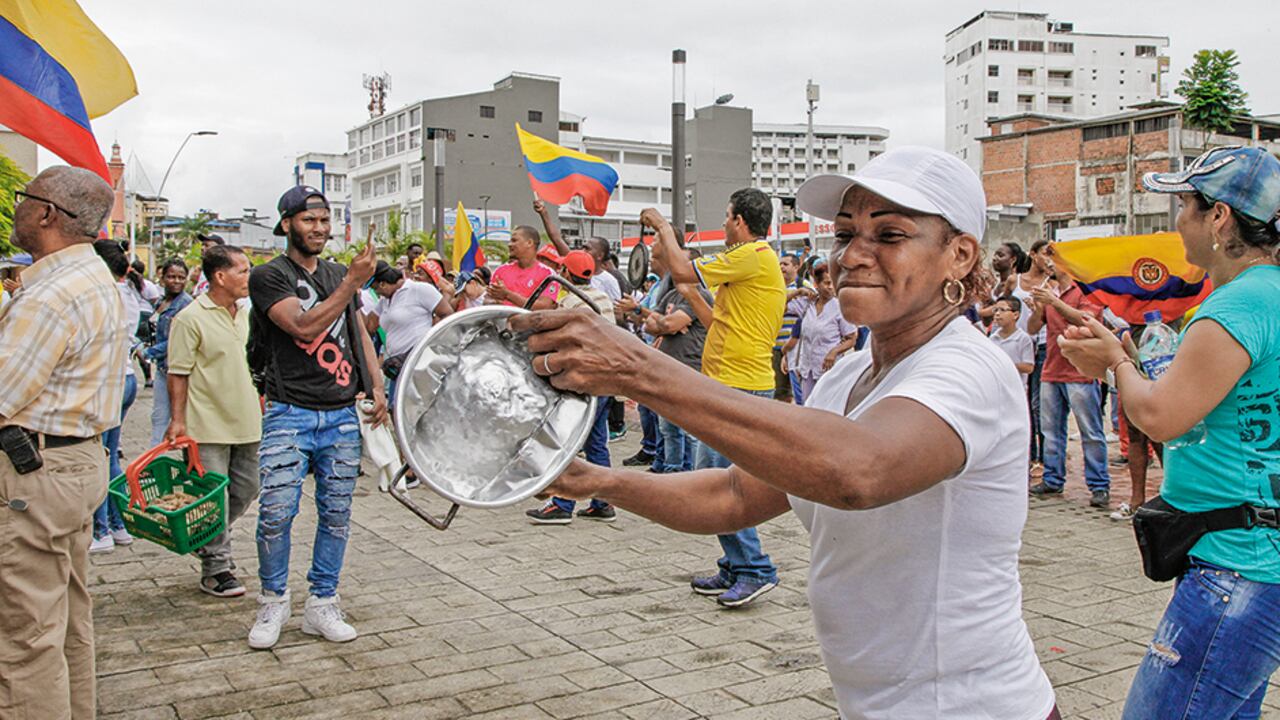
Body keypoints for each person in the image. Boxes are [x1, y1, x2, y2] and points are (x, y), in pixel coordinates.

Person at [512, 146, 1056, 718]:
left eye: (890, 236)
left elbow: (858, 472)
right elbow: (736, 494)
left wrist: (640, 371)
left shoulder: (970, 367)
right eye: (846, 234)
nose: (854, 256)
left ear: (960, 256)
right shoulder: (849, 373)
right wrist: (592, 479)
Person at [1057, 146, 1280, 719]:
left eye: (1183, 204)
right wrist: (1131, 359)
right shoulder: (1269, 298)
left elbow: (1160, 418)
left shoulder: (1234, 308)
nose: (1176, 221)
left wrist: (1115, 364)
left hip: (1237, 565)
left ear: (1219, 216)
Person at [0, 167, 124, 719]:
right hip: (73, 465)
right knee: (66, 615)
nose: (17, 209)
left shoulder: (50, 295)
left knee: (24, 636)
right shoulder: (91, 277)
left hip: (35, 473)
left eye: (25, 200)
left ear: (48, 214)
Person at [245, 185, 387, 650]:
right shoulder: (268, 276)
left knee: (338, 514)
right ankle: (273, 600)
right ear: (286, 224)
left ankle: (323, 601)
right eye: (309, 220)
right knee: (275, 513)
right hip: (289, 411)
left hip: (341, 413)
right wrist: (352, 281)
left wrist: (376, 383)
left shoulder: (336, 274)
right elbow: (303, 325)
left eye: (325, 221)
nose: (319, 229)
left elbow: (356, 332)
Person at [641, 187, 785, 609]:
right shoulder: (749, 264)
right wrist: (687, 294)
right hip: (728, 380)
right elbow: (714, 317)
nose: (722, 224)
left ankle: (756, 567)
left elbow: (683, 269)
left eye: (725, 216)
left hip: (740, 382)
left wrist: (665, 227)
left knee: (719, 484)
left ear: (740, 221)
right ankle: (737, 563)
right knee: (718, 479)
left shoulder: (754, 254)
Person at [164, 245, 261, 597]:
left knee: (248, 488)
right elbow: (177, 373)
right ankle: (216, 568)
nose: (248, 277)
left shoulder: (249, 315)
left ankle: (204, 536)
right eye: (243, 270)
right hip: (206, 423)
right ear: (220, 276)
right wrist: (178, 420)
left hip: (249, 419)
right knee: (212, 497)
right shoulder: (190, 318)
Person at [526, 250, 618, 524]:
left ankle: (562, 504)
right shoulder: (601, 299)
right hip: (604, 383)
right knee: (597, 444)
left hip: (581, 383)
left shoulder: (569, 304)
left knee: (565, 442)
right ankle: (603, 502)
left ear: (566, 273)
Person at [1027, 252, 1111, 507]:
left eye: (1054, 261)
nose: (1049, 265)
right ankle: (1053, 479)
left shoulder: (1084, 290)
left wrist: (1055, 302)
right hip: (1051, 368)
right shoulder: (1050, 293)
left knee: (1090, 431)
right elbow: (1032, 328)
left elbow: (1087, 320)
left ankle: (1099, 485)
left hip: (1081, 371)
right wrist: (1040, 308)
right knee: (1050, 430)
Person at [88, 239, 140, 553]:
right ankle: (118, 526)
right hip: (126, 378)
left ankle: (101, 531)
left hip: (108, 383)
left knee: (99, 460)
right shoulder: (128, 294)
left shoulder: (103, 294)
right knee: (109, 458)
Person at [365, 260, 454, 403]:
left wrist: (430, 343)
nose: (376, 292)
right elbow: (369, 326)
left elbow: (447, 314)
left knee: (414, 408)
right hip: (398, 366)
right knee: (395, 408)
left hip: (418, 364)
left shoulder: (419, 290)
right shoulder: (385, 300)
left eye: (376, 288)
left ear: (383, 284)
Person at [782, 260, 863, 402]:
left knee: (827, 407)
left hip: (829, 370)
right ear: (816, 285)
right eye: (826, 283)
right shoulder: (807, 304)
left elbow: (851, 338)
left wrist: (834, 352)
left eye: (832, 283)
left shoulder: (839, 307)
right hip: (807, 369)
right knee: (808, 408)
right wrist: (797, 292)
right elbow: (780, 307)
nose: (831, 287)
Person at [144, 258, 193, 445]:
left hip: (178, 370)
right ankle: (155, 460)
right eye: (171, 277)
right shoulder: (161, 302)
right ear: (162, 278)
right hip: (163, 369)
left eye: (181, 277)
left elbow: (177, 340)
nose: (176, 281)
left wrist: (149, 352)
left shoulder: (186, 304)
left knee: (178, 419)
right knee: (158, 417)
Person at [1021, 240, 1055, 472]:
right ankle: (1031, 454)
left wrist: (1042, 307)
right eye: (1045, 254)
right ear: (1033, 255)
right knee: (1030, 403)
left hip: (1047, 346)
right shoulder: (1017, 280)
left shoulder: (1053, 285)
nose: (1050, 260)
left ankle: (1045, 459)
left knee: (1041, 406)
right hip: (1023, 343)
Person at [486, 225, 557, 309]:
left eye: (514, 240)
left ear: (529, 243)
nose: (509, 244)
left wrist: (508, 295)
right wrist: (495, 302)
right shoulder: (501, 270)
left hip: (530, 321)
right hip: (500, 320)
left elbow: (544, 307)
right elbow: (487, 301)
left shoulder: (548, 274)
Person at [773, 251, 806, 402]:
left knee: (800, 390)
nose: (781, 267)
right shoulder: (774, 287)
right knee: (780, 391)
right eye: (780, 264)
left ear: (796, 267)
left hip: (797, 348)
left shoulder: (805, 287)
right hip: (776, 346)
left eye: (785, 264)